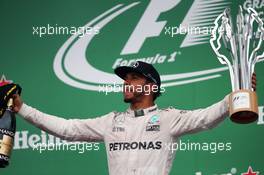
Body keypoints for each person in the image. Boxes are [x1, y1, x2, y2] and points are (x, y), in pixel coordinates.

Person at [12, 61, 257, 175]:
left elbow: (206, 118)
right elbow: (66, 129)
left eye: (134, 79)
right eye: (125, 79)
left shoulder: (168, 119)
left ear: (150, 87)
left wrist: (233, 99)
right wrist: (22, 108)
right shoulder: (111, 122)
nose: (126, 83)